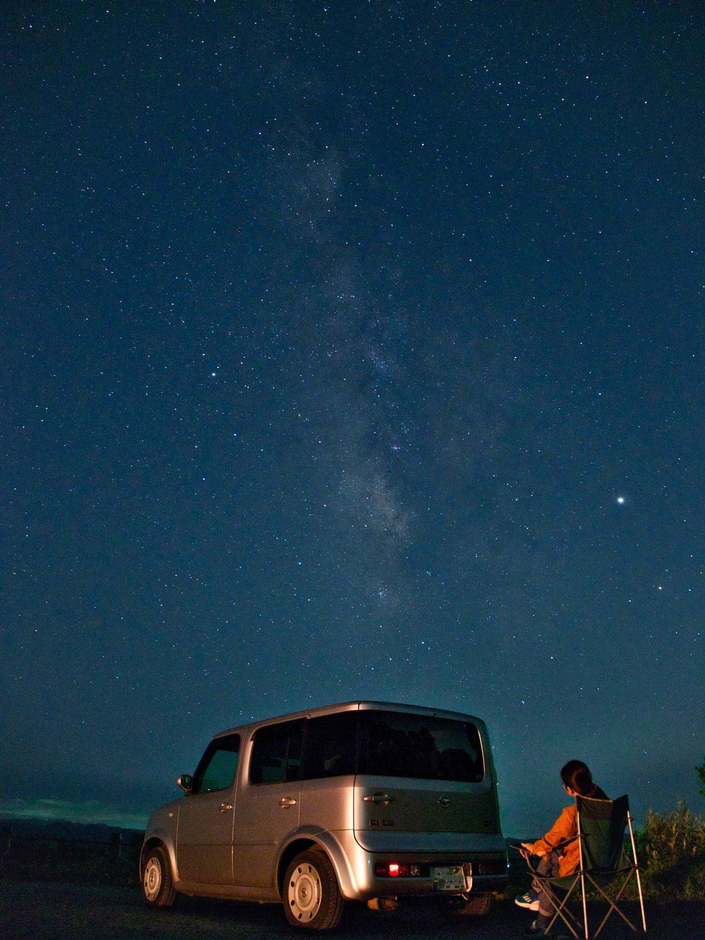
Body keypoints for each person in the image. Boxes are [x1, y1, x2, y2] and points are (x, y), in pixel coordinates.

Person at [515, 760, 608, 936]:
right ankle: (535, 893)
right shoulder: (608, 809)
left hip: (579, 871)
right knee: (554, 852)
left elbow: (553, 838)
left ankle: (540, 920)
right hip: (606, 869)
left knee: (550, 873)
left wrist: (532, 848)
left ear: (569, 789)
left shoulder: (573, 813)